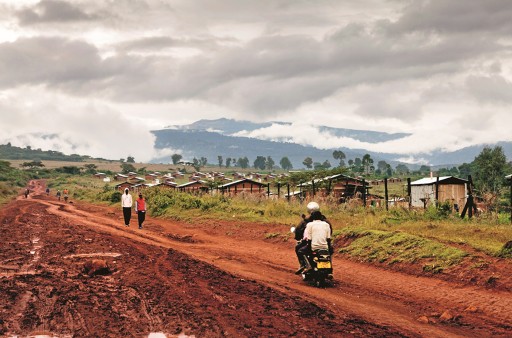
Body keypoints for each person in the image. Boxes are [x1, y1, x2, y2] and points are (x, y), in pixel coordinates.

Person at [295, 202, 333, 274]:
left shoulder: (307, 222)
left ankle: (304, 265)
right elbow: (329, 236)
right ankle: (330, 270)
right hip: (325, 245)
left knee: (299, 250)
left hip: (311, 244)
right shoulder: (326, 223)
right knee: (329, 253)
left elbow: (300, 232)